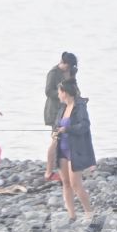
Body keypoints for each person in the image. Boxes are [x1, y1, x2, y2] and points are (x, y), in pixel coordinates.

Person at [55, 77, 95, 220]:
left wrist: (67, 129)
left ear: (65, 92)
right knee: (65, 183)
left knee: (75, 184)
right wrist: (56, 132)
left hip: (75, 150)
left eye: (59, 92)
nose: (58, 94)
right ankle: (72, 215)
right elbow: (57, 125)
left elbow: (84, 126)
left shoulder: (80, 106)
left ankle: (89, 213)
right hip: (62, 150)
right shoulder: (62, 107)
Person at [42, 51, 78, 183]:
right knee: (55, 140)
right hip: (55, 110)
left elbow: (74, 87)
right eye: (67, 66)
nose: (68, 69)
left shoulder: (72, 71)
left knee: (67, 138)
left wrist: (78, 99)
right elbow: (48, 91)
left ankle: (65, 169)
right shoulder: (53, 73)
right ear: (62, 62)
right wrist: (62, 96)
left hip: (68, 109)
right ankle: (48, 172)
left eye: (70, 67)